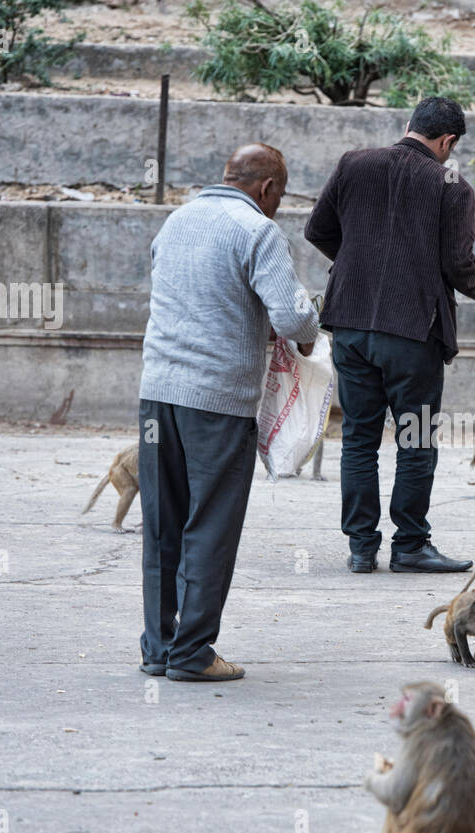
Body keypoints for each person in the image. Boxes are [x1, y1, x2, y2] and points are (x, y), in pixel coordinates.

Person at [304, 96, 475, 574]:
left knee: (358, 438)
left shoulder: (353, 164)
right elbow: (458, 267)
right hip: (413, 332)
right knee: (414, 438)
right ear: (448, 142)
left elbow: (317, 230)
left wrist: (358, 260)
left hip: (352, 326)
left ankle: (361, 549)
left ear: (408, 125)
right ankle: (410, 546)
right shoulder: (452, 185)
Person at [138, 144, 319, 682]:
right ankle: (192, 654)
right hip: (215, 401)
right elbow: (292, 318)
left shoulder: (176, 220)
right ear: (266, 189)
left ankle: (158, 647)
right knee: (210, 527)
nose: (278, 206)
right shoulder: (257, 230)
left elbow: (194, 297)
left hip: (156, 392)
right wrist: (309, 332)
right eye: (280, 196)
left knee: (162, 526)